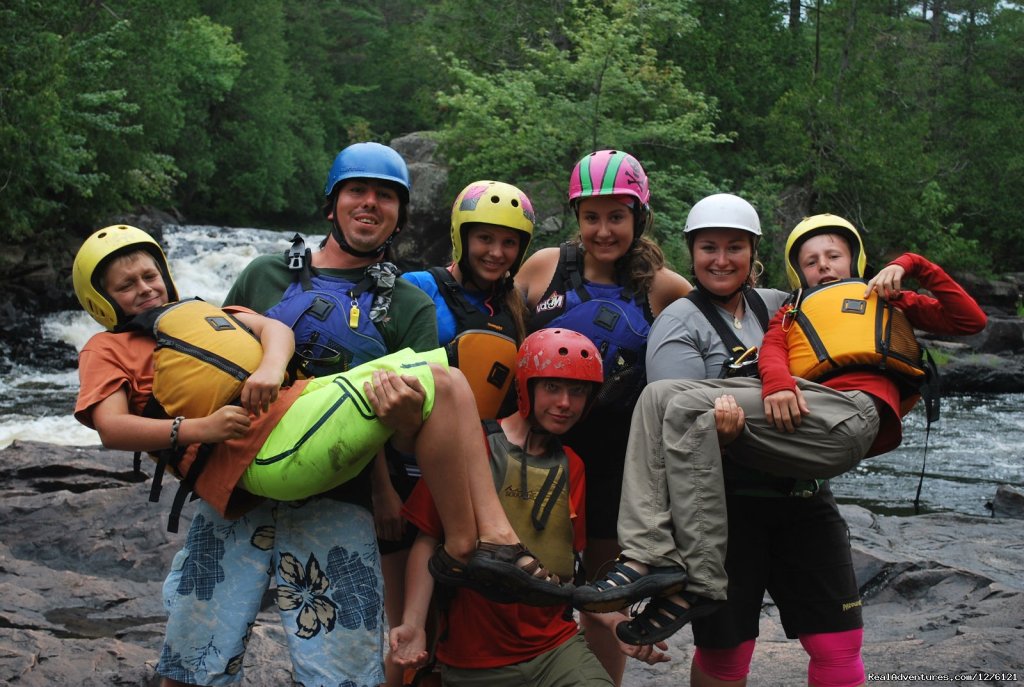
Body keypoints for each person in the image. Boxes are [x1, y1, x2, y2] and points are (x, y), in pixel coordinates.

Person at [134, 142, 564, 687]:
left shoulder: (409, 304)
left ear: (399, 215)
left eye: (385, 196)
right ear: (332, 204)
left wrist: (404, 425)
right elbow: (208, 374)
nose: (369, 204)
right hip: (239, 483)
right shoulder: (264, 276)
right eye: (356, 191)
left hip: (342, 494)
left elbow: (411, 441)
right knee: (190, 661)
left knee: (342, 676)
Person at [575, 212, 987, 652]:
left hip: (849, 417)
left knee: (674, 403)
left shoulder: (883, 297)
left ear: (856, 261)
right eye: (811, 261)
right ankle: (656, 560)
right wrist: (777, 385)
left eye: (834, 256)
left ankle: (676, 568)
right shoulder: (791, 309)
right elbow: (772, 353)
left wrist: (913, 265)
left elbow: (969, 321)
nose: (824, 266)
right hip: (791, 439)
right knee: (658, 397)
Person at [644, 195, 867, 687]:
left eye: (734, 248)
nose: (721, 260)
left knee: (838, 645)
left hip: (805, 499)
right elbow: (673, 430)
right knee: (727, 654)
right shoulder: (678, 324)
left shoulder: (782, 305)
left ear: (754, 253)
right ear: (692, 253)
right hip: (727, 513)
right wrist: (717, 438)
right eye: (709, 248)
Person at [389, 328, 670, 686]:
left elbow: (567, 576)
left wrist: (614, 620)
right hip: (475, 657)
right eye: (552, 387)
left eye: (577, 391)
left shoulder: (573, 465)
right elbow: (427, 540)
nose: (565, 403)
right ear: (526, 387)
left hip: (555, 647)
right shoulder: (471, 445)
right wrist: (413, 624)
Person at [516, 149, 691, 683]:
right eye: (591, 217)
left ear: (639, 218)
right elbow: (506, 341)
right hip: (543, 450)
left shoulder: (663, 286)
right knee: (530, 581)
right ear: (576, 218)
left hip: (616, 461)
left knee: (601, 591)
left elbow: (718, 325)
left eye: (616, 216)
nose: (603, 229)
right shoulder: (544, 267)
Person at [377, 179, 535, 686]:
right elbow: (378, 392)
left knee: (452, 631)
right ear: (460, 237)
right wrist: (380, 487)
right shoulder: (418, 288)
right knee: (405, 626)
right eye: (484, 238)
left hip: (477, 477)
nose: (496, 252)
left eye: (509, 242)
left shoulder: (514, 306)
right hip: (407, 473)